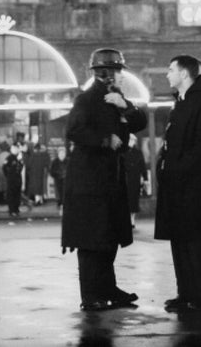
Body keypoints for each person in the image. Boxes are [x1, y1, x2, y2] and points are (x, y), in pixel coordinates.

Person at [62, 47, 147, 312]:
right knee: (91, 242)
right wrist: (104, 140)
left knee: (108, 239)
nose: (122, 76)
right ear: (107, 74)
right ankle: (91, 296)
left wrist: (126, 106)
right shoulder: (86, 99)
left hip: (109, 181)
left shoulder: (116, 98)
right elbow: (74, 131)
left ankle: (108, 289)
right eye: (119, 71)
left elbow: (139, 122)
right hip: (89, 183)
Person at [154, 55, 201, 311]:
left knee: (198, 241)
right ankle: (186, 293)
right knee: (180, 239)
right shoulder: (181, 102)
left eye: (171, 69)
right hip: (176, 184)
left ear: (185, 74)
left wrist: (177, 170)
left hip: (196, 186)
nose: (167, 74)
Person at [123, 134, 147, 229]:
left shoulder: (137, 152)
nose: (132, 142)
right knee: (127, 200)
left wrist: (145, 178)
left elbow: (142, 166)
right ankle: (128, 219)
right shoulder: (123, 152)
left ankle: (132, 219)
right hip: (126, 180)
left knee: (134, 201)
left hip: (135, 180)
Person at [2, 144, 24, 217]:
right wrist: (8, 176)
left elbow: (21, 167)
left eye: (16, 148)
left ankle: (16, 209)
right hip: (11, 179)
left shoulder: (19, 158)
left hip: (18, 179)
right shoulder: (9, 158)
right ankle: (12, 210)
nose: (15, 150)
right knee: (11, 195)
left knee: (17, 195)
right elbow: (4, 168)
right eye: (14, 148)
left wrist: (20, 161)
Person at [50, 146, 68, 216]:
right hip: (58, 179)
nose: (62, 154)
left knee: (65, 192)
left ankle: (64, 204)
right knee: (59, 192)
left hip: (66, 180)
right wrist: (57, 175)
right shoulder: (55, 162)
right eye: (61, 153)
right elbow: (52, 171)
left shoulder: (68, 161)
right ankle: (60, 202)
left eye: (63, 153)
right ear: (58, 154)